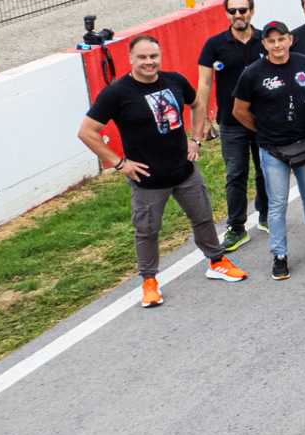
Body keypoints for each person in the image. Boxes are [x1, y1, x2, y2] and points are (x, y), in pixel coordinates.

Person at [79, 35, 245, 307]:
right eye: (142, 57)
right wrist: (120, 164)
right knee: (147, 230)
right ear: (130, 59)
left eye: (153, 57)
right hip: (147, 179)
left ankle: (217, 262)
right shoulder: (117, 92)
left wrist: (196, 139)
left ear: (160, 57)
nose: (148, 62)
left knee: (203, 218)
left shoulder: (175, 80)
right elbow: (87, 132)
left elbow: (198, 104)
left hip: (184, 170)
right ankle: (149, 282)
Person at [233, 21, 305, 281]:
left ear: (289, 40)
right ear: (263, 44)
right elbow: (239, 111)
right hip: (272, 150)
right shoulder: (252, 73)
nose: (277, 45)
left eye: (281, 39)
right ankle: (280, 255)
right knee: (276, 204)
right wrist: (263, 131)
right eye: (271, 41)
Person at [196, 0, 268, 251]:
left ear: (252, 11)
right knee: (236, 174)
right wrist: (203, 119)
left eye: (243, 10)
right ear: (226, 14)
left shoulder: (265, 40)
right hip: (230, 123)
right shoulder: (214, 45)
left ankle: (266, 214)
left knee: (265, 171)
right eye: (233, 11)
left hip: (262, 121)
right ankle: (236, 228)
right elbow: (204, 82)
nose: (238, 15)